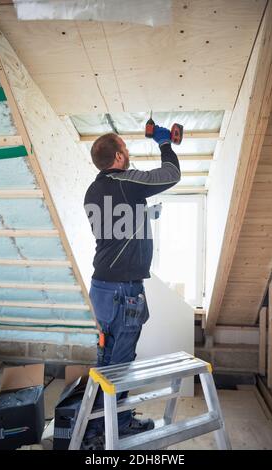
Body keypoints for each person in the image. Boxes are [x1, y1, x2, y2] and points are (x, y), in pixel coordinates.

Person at [82, 124, 181, 449]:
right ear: (120, 155)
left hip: (102, 289)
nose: (130, 154)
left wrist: (144, 214)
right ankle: (113, 428)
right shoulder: (125, 181)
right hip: (123, 291)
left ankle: (100, 424)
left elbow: (119, 225)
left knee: (107, 359)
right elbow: (170, 175)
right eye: (127, 149)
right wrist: (165, 143)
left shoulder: (93, 191)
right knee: (119, 363)